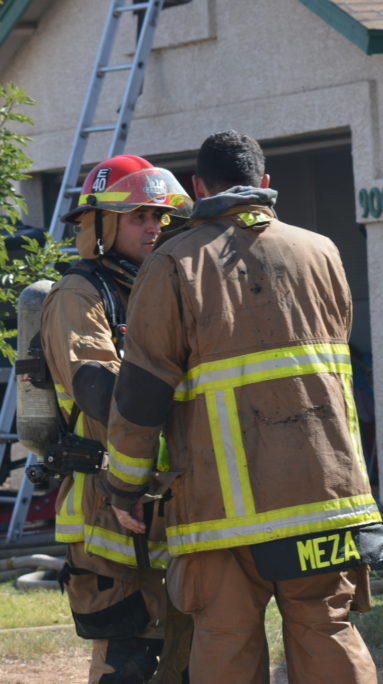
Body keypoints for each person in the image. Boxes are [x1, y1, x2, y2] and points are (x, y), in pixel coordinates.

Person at [102, 130, 383, 683]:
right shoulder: (321, 251)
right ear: (265, 183)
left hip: (221, 510)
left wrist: (125, 487)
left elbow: (142, 393)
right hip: (322, 497)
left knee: (225, 639)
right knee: (326, 628)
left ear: (197, 187)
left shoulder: (173, 263)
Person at [40, 154, 194, 683]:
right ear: (102, 225)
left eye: (160, 217)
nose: (154, 227)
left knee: (189, 655)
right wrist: (130, 479)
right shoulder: (79, 293)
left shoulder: (163, 285)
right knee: (128, 659)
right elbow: (100, 392)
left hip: (170, 499)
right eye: (138, 217)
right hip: (107, 505)